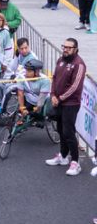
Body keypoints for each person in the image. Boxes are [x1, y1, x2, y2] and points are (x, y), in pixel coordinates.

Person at [46, 38, 86, 176]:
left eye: (69, 47)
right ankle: (63, 157)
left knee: (69, 132)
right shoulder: (60, 60)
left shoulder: (79, 64)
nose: (65, 49)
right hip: (58, 101)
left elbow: (75, 87)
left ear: (75, 49)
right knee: (60, 129)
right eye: (64, 46)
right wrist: (52, 95)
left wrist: (60, 98)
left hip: (71, 103)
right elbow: (55, 78)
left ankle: (75, 162)